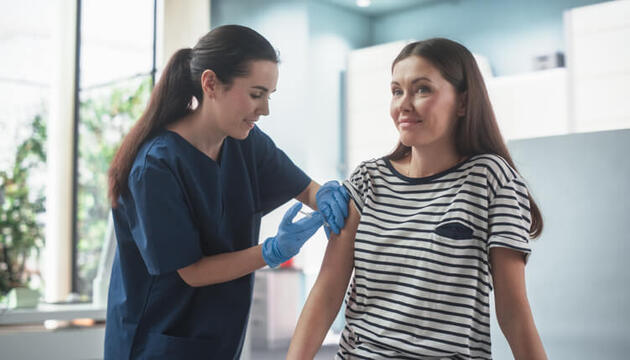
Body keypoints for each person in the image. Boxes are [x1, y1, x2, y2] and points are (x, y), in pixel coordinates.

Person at [288, 38, 548, 360]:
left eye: (422, 89)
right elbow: (327, 291)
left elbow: (514, 312)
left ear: (463, 102)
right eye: (397, 91)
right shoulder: (368, 179)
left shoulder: (491, 179)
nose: (404, 104)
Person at [103, 25, 349, 359]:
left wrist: (325, 196)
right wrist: (271, 251)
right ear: (211, 84)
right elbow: (192, 271)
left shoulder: (245, 143)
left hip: (217, 341)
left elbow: (303, 187)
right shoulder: (156, 167)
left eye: (269, 96)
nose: (265, 110)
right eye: (256, 94)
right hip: (157, 342)